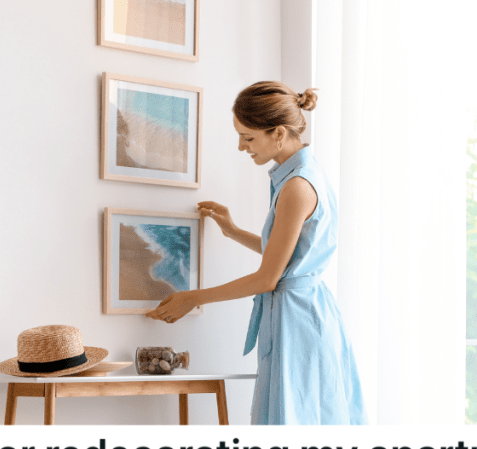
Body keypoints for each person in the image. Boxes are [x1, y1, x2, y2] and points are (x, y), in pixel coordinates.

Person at [145, 81, 367, 425]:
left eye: (248, 137)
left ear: (278, 133)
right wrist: (233, 231)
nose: (240, 146)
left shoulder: (296, 186)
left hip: (299, 320)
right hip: (304, 313)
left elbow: (268, 278)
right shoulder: (299, 176)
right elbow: (291, 258)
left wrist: (193, 297)